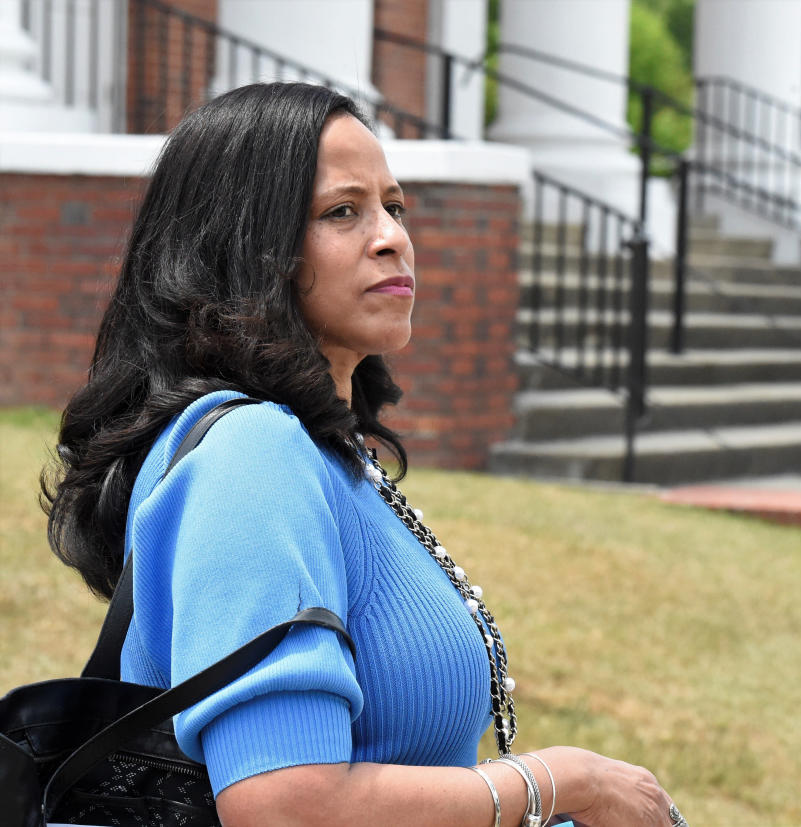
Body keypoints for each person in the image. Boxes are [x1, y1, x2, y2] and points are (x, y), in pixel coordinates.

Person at [43, 82, 685, 827]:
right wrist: (560, 782)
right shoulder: (250, 455)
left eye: (394, 206)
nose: (391, 237)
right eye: (341, 211)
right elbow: (286, 806)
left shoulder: (327, 456)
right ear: (246, 246)